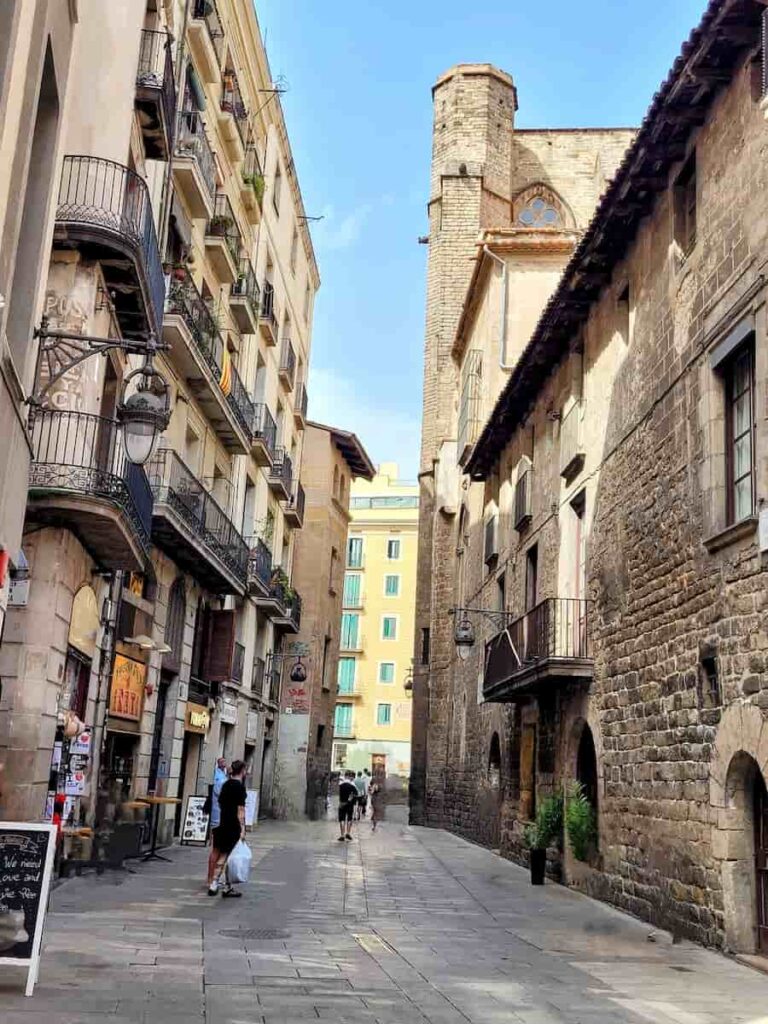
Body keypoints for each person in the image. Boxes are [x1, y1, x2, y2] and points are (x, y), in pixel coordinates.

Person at [208, 759, 247, 896]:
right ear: (242, 771)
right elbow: (240, 810)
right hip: (233, 825)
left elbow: (220, 803)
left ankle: (223, 885)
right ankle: (215, 884)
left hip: (222, 823)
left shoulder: (225, 785)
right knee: (227, 856)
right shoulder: (239, 787)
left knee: (225, 854)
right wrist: (242, 829)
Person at [206, 757, 228, 889]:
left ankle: (214, 878)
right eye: (222, 762)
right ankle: (211, 879)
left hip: (220, 818)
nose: (224, 764)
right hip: (219, 819)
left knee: (219, 850)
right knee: (217, 850)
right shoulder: (219, 777)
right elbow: (221, 794)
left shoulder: (222, 775)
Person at [337, 770, 357, 841]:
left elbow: (338, 794)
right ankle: (348, 833)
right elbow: (355, 794)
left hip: (342, 803)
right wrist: (349, 800)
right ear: (350, 777)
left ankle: (342, 834)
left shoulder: (340, 785)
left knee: (342, 819)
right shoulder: (353, 785)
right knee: (349, 818)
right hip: (350, 804)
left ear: (345, 776)